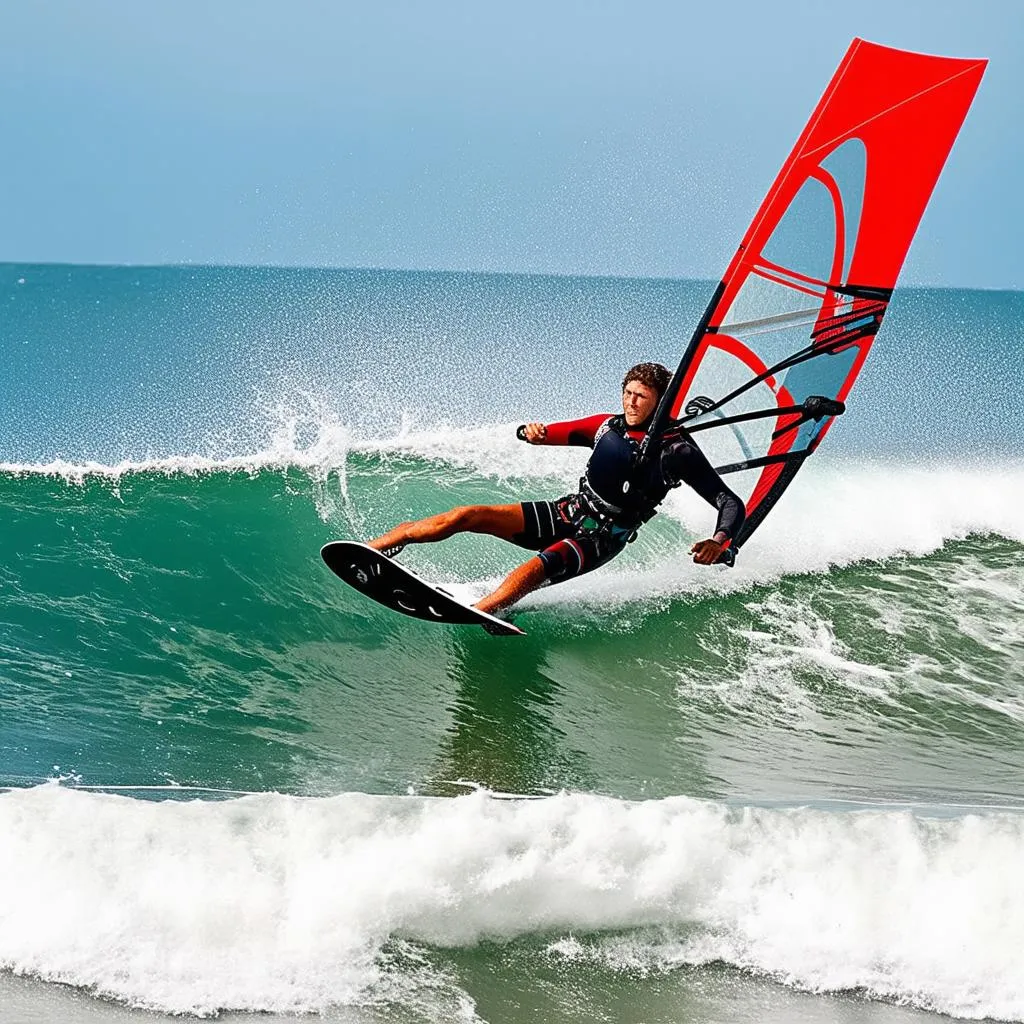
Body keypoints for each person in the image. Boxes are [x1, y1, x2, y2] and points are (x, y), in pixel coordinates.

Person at [368, 362, 745, 615]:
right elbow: (548, 434)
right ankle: (378, 548)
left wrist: (720, 539)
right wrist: (532, 433)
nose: (631, 402)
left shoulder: (677, 450)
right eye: (627, 392)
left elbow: (729, 500)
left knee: (533, 570)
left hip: (601, 538)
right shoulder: (605, 427)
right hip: (569, 511)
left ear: (661, 401)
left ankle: (485, 610)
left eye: (641, 396)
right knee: (469, 515)